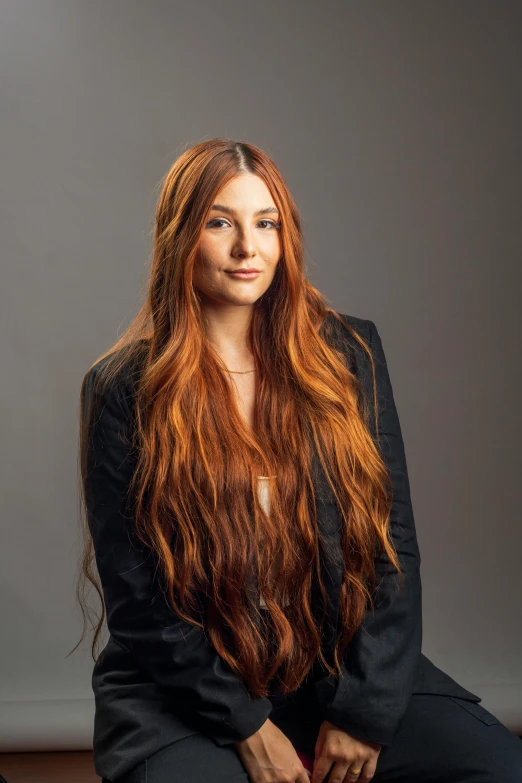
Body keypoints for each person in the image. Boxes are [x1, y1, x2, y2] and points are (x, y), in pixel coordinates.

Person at [74, 139, 522, 782]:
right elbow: (140, 601)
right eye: (220, 222)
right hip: (185, 693)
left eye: (266, 223)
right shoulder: (122, 388)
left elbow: (393, 546)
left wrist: (365, 711)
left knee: (500, 771)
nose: (246, 249)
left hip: (335, 670)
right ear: (180, 237)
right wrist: (247, 726)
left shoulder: (349, 354)